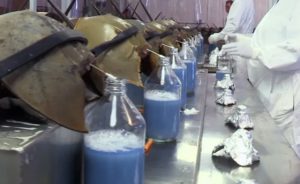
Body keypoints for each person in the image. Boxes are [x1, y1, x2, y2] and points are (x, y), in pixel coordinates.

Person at [221, 0, 300, 157]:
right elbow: (271, 40)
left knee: (283, 161)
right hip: (269, 93)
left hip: (283, 97)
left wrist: (256, 52)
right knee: (267, 156)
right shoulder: (282, 4)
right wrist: (242, 39)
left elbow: (296, 51)